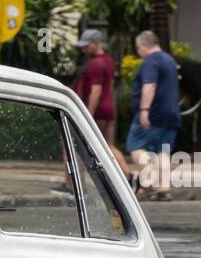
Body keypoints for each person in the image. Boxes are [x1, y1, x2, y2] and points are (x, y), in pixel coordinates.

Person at [126, 30, 181, 200]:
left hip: (153, 114)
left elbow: (149, 85)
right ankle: (164, 188)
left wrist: (144, 110)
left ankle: (149, 182)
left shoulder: (151, 61)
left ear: (144, 45)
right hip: (171, 114)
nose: (138, 52)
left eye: (138, 48)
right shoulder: (169, 59)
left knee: (135, 145)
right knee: (162, 151)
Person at [72, 29, 128, 173]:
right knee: (109, 145)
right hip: (108, 108)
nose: (83, 49)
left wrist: (88, 114)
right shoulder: (108, 60)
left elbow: (95, 91)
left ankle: (71, 185)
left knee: (76, 145)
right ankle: (128, 175)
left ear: (96, 43)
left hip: (97, 111)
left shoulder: (95, 64)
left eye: (87, 45)